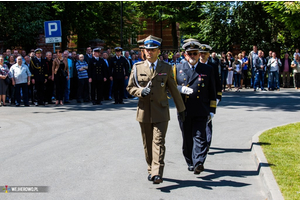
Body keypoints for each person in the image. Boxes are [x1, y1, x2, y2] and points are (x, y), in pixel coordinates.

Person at [127, 35, 185, 184]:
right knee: (148, 143)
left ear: (158, 51)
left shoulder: (165, 67)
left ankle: (157, 173)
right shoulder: (137, 67)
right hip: (144, 112)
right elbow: (130, 87)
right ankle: (150, 168)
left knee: (158, 142)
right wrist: (140, 92)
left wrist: (181, 109)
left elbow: (173, 89)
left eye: (152, 50)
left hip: (161, 111)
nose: (149, 52)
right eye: (147, 50)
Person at [173, 40, 216, 174]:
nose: (192, 56)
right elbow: (171, 87)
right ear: (185, 55)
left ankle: (198, 162)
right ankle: (190, 161)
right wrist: (181, 89)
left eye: (195, 53)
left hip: (201, 109)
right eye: (190, 54)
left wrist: (212, 110)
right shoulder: (177, 68)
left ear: (199, 55)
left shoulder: (207, 69)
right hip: (184, 109)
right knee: (187, 138)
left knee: (200, 136)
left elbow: (212, 90)